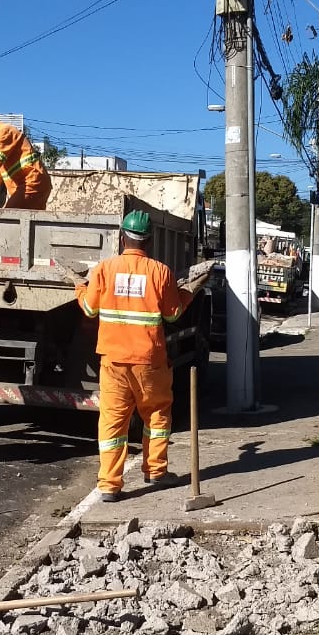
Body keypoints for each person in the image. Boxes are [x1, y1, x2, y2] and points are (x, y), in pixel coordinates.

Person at [63, 211, 210, 502]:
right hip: (149, 360)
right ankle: (155, 470)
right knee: (156, 413)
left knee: (113, 422)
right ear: (150, 241)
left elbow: (90, 310)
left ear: (122, 237)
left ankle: (109, 485)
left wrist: (80, 287)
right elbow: (173, 314)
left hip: (113, 360)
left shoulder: (105, 269)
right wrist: (189, 292)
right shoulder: (160, 272)